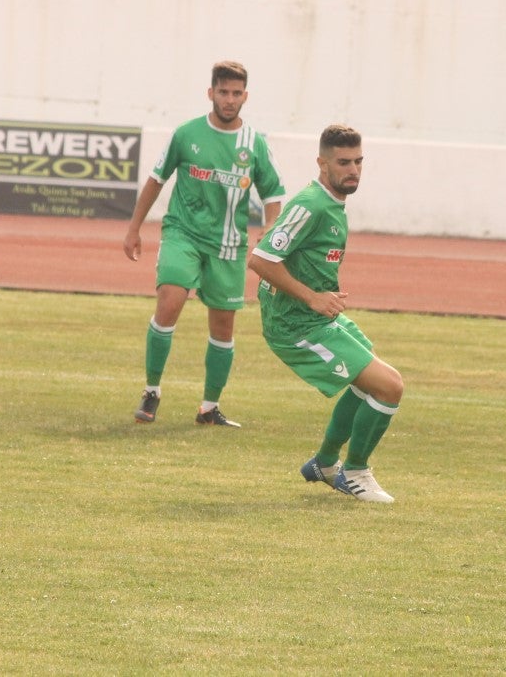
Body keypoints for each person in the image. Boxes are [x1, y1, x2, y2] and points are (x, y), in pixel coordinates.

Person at [123, 61, 285, 427]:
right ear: (210, 93)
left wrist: (271, 226)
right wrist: (134, 228)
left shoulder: (254, 144)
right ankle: (151, 391)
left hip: (228, 245)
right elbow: (156, 179)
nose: (229, 100)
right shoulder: (186, 134)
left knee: (223, 326)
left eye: (236, 93)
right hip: (183, 234)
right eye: (223, 92)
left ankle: (209, 408)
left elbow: (273, 193)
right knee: (171, 300)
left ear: (245, 96)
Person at [248, 124, 403, 503]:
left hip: (316, 318)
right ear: (322, 163)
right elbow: (261, 259)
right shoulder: (312, 205)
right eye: (343, 162)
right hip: (295, 326)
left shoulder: (331, 203)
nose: (353, 170)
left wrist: (321, 296)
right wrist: (313, 297)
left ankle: (324, 463)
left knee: (369, 379)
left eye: (358, 162)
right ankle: (354, 472)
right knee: (389, 386)